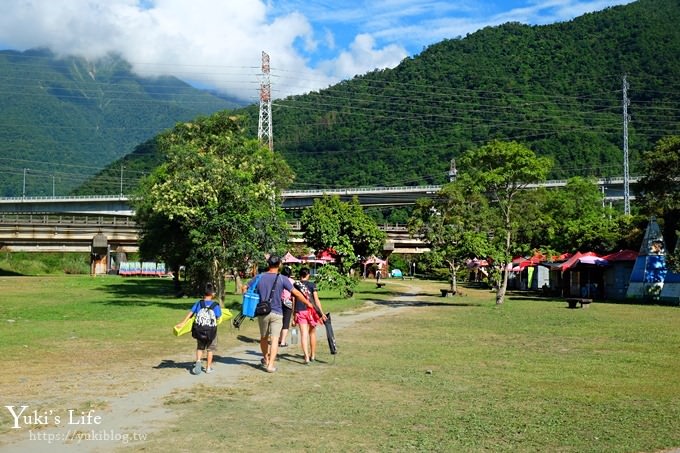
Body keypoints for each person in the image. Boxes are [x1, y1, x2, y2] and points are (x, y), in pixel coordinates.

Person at [248, 255, 307, 373]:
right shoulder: (282, 279)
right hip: (277, 312)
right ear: (279, 264)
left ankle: (265, 358)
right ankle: (270, 365)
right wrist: (308, 303)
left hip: (263, 312)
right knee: (275, 339)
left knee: (263, 338)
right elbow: (296, 293)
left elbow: (245, 288)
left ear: (268, 264)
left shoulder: (259, 277)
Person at [175, 282, 222, 375]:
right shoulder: (215, 305)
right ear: (213, 294)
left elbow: (190, 313)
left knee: (200, 347)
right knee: (210, 349)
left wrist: (183, 323)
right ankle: (208, 368)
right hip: (211, 331)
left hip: (199, 330)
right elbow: (218, 316)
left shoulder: (199, 303)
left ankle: (198, 361)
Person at [293, 267, 327, 364]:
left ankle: (306, 357)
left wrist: (294, 314)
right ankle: (313, 355)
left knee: (303, 334)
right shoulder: (312, 285)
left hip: (300, 310)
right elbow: (316, 300)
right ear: (308, 275)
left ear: (300, 275)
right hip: (311, 312)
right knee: (312, 333)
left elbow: (294, 300)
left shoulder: (295, 285)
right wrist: (321, 312)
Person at [278, 266, 295, 348]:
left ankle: (278, 339)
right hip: (288, 303)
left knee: (278, 321)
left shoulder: (278, 280)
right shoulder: (292, 281)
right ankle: (283, 341)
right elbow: (294, 295)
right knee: (286, 322)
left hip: (278, 302)